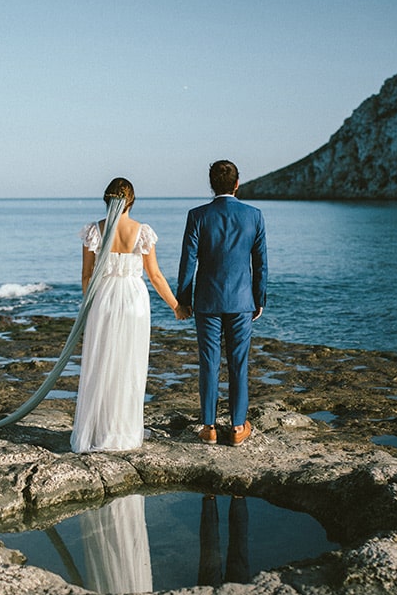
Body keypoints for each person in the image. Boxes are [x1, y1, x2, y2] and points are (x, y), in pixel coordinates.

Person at [71, 177, 179, 453]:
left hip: (103, 300)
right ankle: (122, 431)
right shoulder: (142, 232)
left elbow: (86, 276)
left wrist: (90, 306)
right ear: (132, 201)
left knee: (101, 364)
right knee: (129, 364)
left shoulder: (95, 231)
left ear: (106, 200)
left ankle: (97, 430)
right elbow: (155, 276)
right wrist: (176, 306)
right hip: (134, 302)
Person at [175, 160, 267, 446]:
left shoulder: (197, 216)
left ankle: (209, 427)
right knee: (238, 363)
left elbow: (188, 262)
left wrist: (183, 299)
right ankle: (238, 427)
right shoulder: (254, 216)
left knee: (209, 363)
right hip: (242, 301)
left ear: (212, 184)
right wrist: (259, 298)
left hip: (207, 301)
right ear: (237, 184)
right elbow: (260, 263)